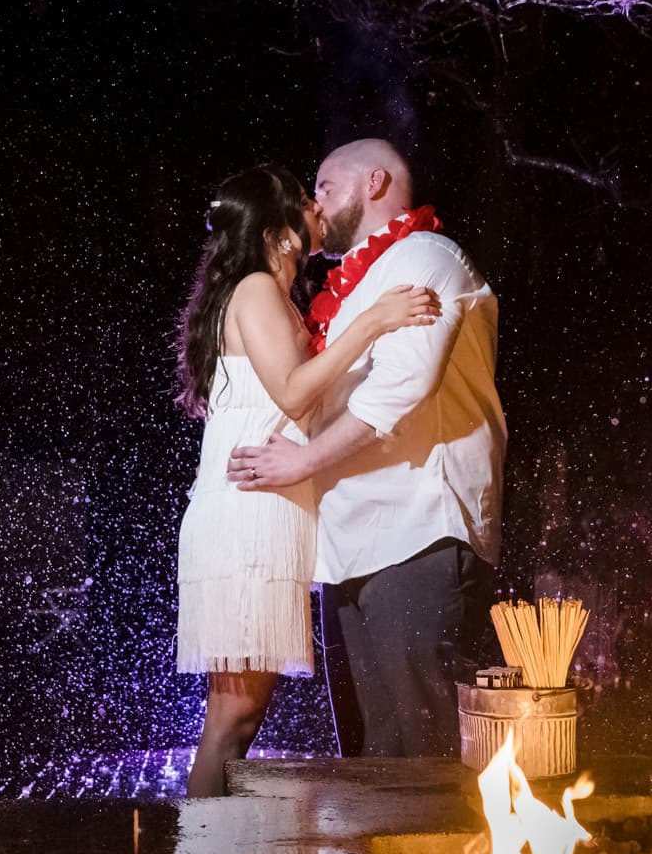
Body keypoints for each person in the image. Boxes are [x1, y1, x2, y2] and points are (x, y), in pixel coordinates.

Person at [228, 139, 506, 757]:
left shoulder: (426, 255)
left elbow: (401, 387)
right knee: (364, 753)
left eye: (324, 187)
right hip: (350, 542)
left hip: (416, 531)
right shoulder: (355, 284)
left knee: (414, 747)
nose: (313, 205)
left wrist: (299, 461)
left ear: (374, 183)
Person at [174, 163, 441, 797]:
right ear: (282, 230)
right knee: (232, 715)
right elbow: (294, 397)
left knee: (241, 715)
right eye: (306, 201)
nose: (318, 210)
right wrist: (374, 321)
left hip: (267, 511)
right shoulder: (256, 291)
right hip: (248, 513)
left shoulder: (271, 294)